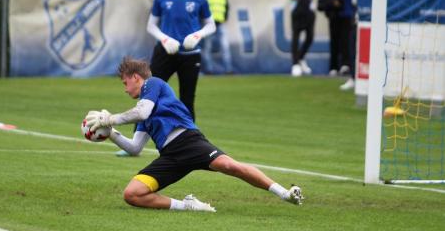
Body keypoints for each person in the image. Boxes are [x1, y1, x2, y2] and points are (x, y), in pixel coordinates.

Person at [85, 58, 304, 212]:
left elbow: (142, 112)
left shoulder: (153, 84)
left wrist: (110, 119)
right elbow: (135, 148)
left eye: (125, 83)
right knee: (132, 194)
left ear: (135, 77)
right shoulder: (142, 111)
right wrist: (111, 133)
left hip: (189, 142)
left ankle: (285, 193)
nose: (125, 89)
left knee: (231, 166)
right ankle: (187, 206)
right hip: (170, 157)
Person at [147, 0, 216, 121]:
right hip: (164, 53)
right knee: (149, 97)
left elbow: (211, 25)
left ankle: (192, 143)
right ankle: (134, 144)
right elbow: (151, 26)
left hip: (190, 55)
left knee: (187, 100)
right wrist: (165, 39)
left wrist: (197, 35)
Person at [319, 0, 356, 78]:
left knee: (346, 42)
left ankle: (345, 65)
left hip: (347, 17)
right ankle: (333, 67)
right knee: (334, 42)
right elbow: (326, 1)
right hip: (334, 18)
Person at [199, 0, 233, 74]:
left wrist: (225, 16)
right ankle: (209, 70)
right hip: (208, 23)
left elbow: (226, 5)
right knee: (207, 47)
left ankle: (228, 69)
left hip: (219, 23)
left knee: (225, 46)